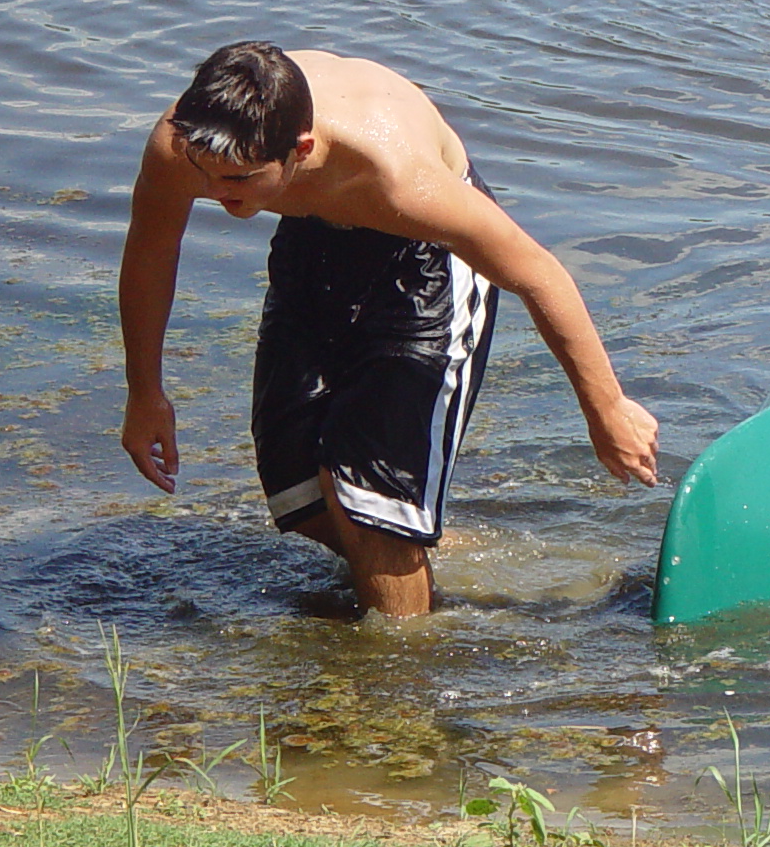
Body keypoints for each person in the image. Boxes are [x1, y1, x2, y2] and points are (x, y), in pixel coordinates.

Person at [116, 42, 659, 618]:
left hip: (427, 257)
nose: (219, 195)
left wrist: (607, 408)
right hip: (314, 233)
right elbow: (151, 250)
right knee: (299, 491)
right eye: (205, 173)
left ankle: (399, 681)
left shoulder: (397, 178)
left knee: (372, 506)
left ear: (300, 150)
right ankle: (449, 555)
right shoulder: (186, 144)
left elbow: (537, 272)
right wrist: (144, 393)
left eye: (238, 181)